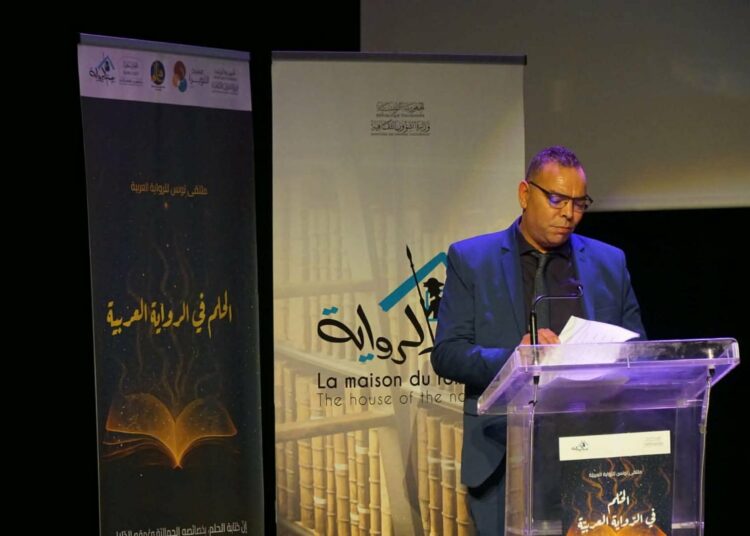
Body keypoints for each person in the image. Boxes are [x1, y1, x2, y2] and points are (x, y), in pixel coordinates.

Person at [431, 145, 645, 534]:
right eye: (557, 199)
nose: (569, 214)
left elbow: (639, 354)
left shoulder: (609, 262)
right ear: (524, 194)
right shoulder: (472, 260)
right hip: (504, 458)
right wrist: (516, 359)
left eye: (579, 203)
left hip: (593, 459)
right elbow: (447, 354)